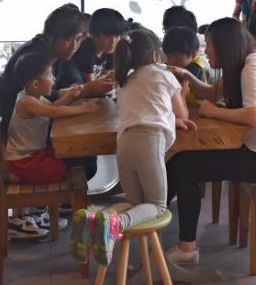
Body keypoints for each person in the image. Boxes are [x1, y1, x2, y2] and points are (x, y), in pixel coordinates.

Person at [166, 17, 256, 265]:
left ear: (225, 46)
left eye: (209, 45)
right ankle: (152, 225)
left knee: (183, 166)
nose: (206, 50)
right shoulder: (242, 64)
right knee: (179, 162)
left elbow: (255, 116)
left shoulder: (252, 69)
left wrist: (214, 112)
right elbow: (212, 93)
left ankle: (184, 246)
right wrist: (186, 75)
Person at [69, 29, 196, 266]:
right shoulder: (164, 75)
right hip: (149, 142)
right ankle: (116, 224)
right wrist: (183, 92)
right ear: (156, 55)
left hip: (125, 144)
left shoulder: (124, 81)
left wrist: (169, 118)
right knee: (157, 206)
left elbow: (146, 108)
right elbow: (183, 114)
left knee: (136, 203)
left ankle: (96, 218)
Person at [0, 5, 113, 181]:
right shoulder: (33, 57)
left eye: (78, 39)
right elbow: (44, 104)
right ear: (50, 35)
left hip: (30, 130)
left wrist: (69, 93)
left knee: (81, 152)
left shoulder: (49, 51)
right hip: (18, 137)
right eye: (68, 39)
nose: (74, 46)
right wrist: (84, 92)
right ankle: (59, 193)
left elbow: (46, 98)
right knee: (80, 159)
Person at [5, 53, 97, 238]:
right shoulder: (27, 102)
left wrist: (69, 96)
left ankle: (39, 210)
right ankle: (22, 183)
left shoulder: (34, 97)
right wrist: (83, 109)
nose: (54, 78)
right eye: (49, 74)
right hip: (24, 160)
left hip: (34, 154)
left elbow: (53, 108)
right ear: (36, 84)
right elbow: (55, 112)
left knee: (68, 157)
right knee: (63, 168)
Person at [72, 8, 126, 82]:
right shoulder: (85, 49)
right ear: (94, 35)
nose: (113, 42)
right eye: (107, 36)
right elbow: (91, 84)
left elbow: (108, 76)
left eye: (117, 36)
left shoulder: (111, 50)